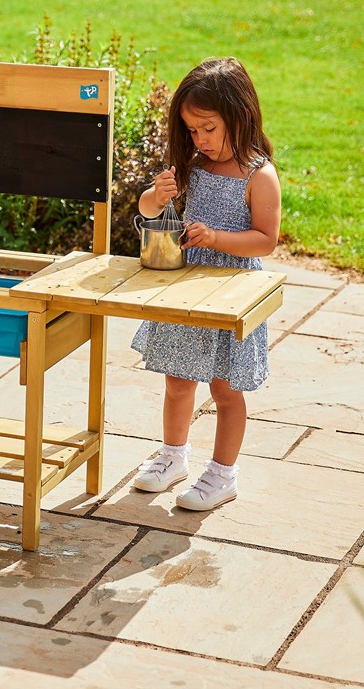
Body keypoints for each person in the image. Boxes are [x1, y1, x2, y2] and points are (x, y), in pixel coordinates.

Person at [131, 57, 281, 511]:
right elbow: (148, 213)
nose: (200, 140)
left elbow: (266, 240)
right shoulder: (193, 166)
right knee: (177, 379)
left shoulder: (260, 175)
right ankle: (173, 457)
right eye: (192, 130)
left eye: (208, 128)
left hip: (232, 294)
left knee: (225, 390)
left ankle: (222, 474)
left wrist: (216, 238)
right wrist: (155, 198)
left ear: (241, 116)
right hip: (188, 289)